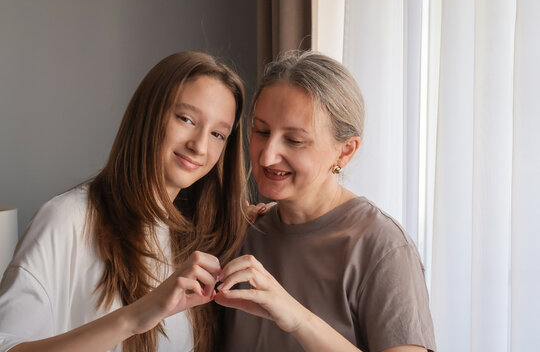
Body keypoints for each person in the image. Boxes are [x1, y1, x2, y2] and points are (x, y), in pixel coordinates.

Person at [0, 51, 248, 352]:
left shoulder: (198, 238)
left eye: (218, 134)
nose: (199, 146)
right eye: (186, 119)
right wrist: (134, 317)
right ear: (148, 114)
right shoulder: (67, 220)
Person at [215, 51, 437, 352]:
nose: (266, 155)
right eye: (262, 130)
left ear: (345, 152)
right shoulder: (244, 232)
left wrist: (295, 318)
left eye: (294, 140)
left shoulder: (382, 247)